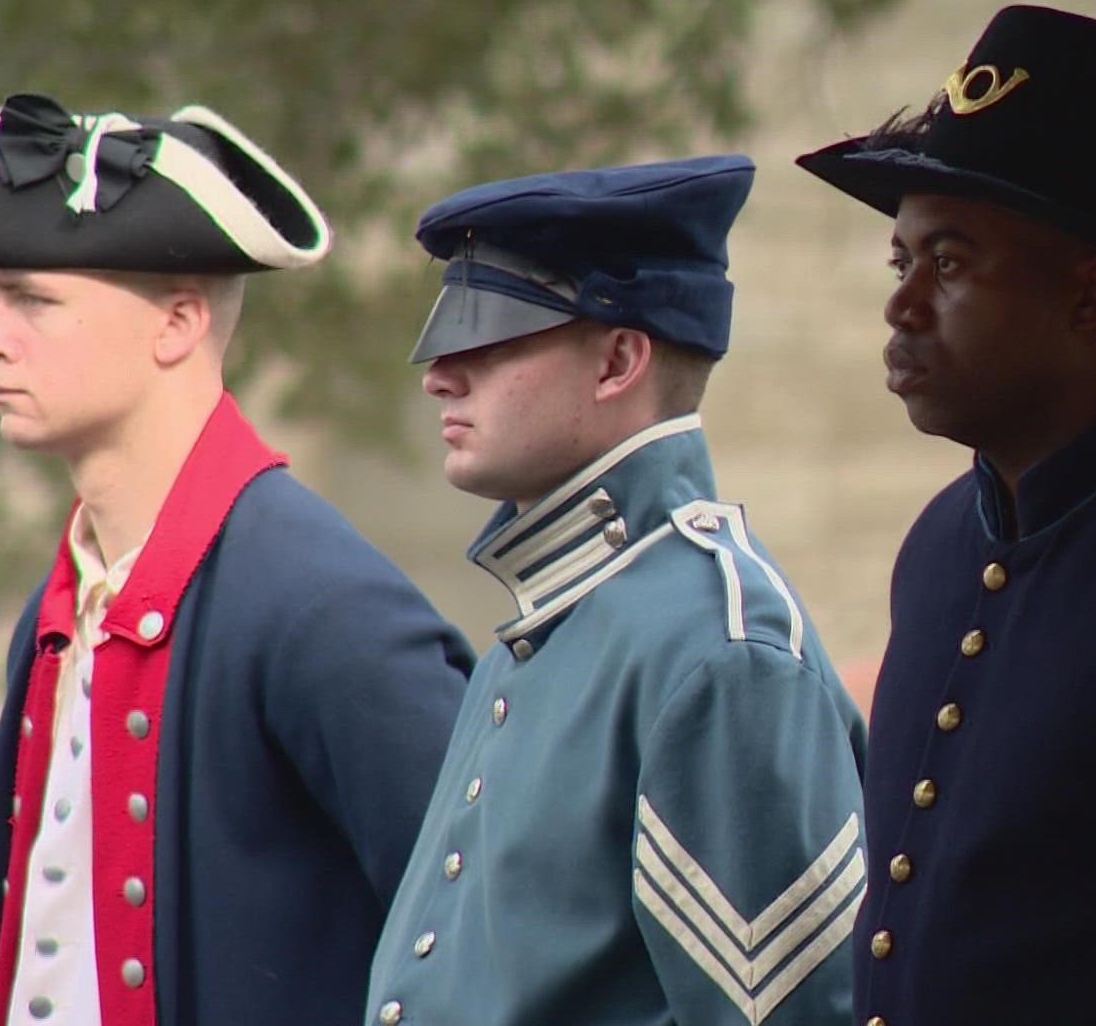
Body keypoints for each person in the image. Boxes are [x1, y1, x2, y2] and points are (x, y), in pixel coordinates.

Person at [0, 92, 473, 1026]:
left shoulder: (322, 606)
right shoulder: (58, 607)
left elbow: (489, 937)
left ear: (178, 325)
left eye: (35, 299)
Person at [794, 5, 1096, 1023]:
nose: (901, 304)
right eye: (899, 261)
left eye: (949, 263)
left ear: (1094, 295)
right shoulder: (938, 547)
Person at [364, 155, 868, 1026]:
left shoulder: (715, 650)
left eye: (489, 338)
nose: (440, 375)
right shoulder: (560, 617)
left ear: (618, 361)